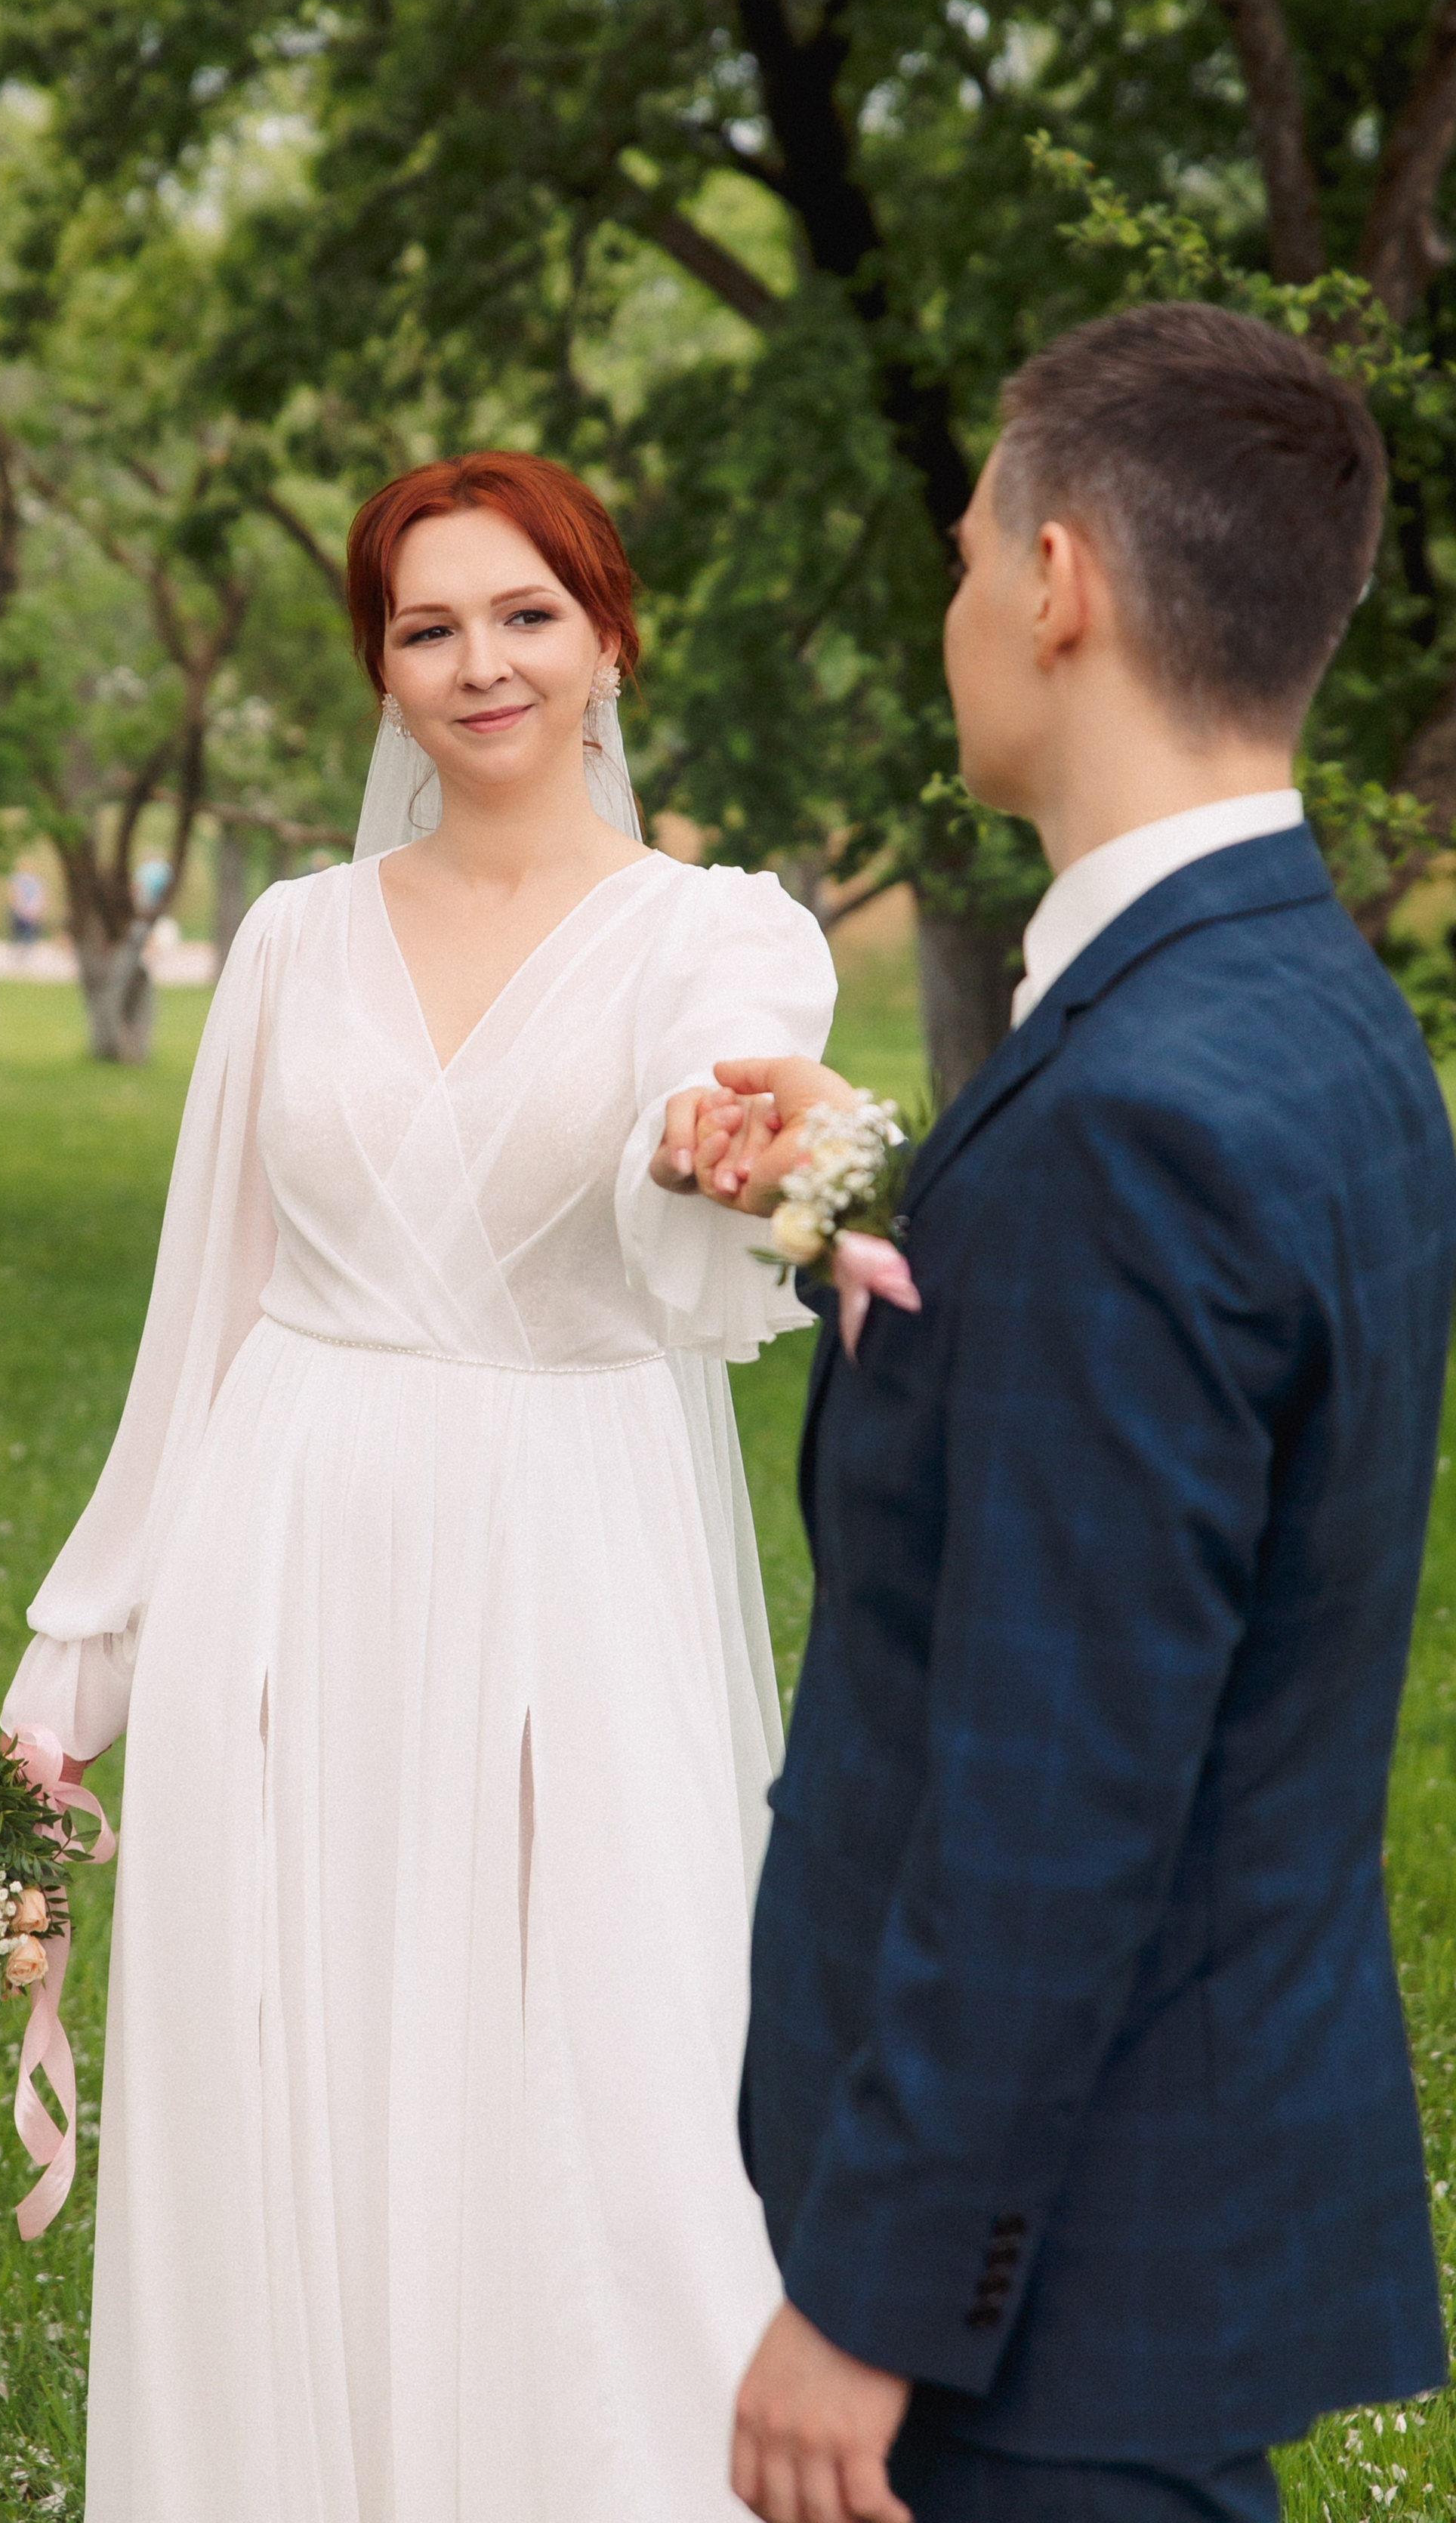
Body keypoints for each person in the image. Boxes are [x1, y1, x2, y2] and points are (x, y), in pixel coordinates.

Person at [0, 452, 841, 2521]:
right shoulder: (290, 941)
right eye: (428, 626)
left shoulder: (719, 932)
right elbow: (208, 1309)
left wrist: (719, 1135)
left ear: (609, 635)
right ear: (380, 674)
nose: (482, 664)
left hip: (576, 1554)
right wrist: (75, 1662)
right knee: (291, 2111)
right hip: (289, 1562)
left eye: (527, 613)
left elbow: (729, 1073)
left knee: (603, 2105)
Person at [696, 304, 1456, 2522]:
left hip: (1044, 2302)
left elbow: (1061, 1789)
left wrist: (873, 2300)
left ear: (1057, 585)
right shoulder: (1315, 1014)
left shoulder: (1131, 1114)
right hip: (1175, 2199)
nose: (954, 614)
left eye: (960, 558)